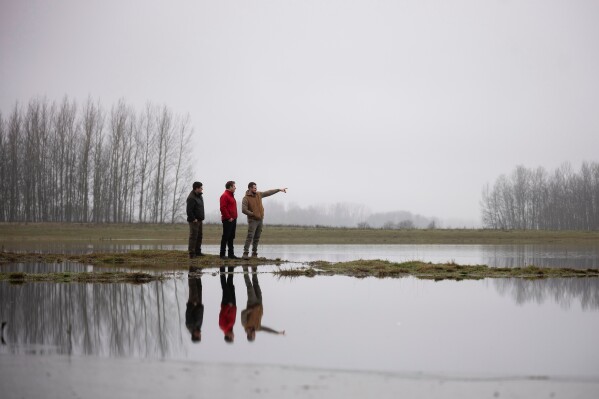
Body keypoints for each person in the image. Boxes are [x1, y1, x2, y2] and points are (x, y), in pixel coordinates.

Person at [241, 182, 287, 259]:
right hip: (252, 220)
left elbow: (268, 192)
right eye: (254, 188)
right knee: (250, 236)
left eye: (256, 187)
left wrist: (278, 190)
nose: (256, 189)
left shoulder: (259, 194)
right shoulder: (246, 198)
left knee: (257, 237)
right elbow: (244, 210)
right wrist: (253, 214)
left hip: (260, 220)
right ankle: (245, 253)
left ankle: (254, 253)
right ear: (250, 188)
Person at [241, 266, 285, 342]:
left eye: (253, 336)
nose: (255, 335)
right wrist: (277, 333)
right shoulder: (257, 328)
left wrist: (251, 310)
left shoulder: (245, 324)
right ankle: (254, 269)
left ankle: (245, 269)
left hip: (252, 303)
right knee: (256, 284)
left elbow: (243, 313)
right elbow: (267, 330)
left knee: (249, 286)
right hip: (259, 304)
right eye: (254, 336)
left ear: (249, 335)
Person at [220, 180, 238, 259]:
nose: (235, 188)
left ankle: (231, 254)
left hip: (233, 219)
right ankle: (222, 254)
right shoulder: (224, 195)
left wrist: (234, 217)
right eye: (234, 186)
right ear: (230, 187)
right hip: (228, 220)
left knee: (231, 237)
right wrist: (228, 217)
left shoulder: (231, 195)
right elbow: (223, 208)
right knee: (225, 237)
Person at [186, 181, 205, 258]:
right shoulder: (191, 198)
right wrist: (193, 219)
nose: (202, 189)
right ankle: (191, 253)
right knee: (193, 236)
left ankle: (198, 251)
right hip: (194, 221)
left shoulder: (200, 196)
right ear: (196, 188)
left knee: (199, 236)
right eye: (200, 188)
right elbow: (189, 210)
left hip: (200, 220)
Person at [186, 267, 204, 343]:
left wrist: (192, 305)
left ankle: (191, 270)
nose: (200, 334)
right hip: (199, 304)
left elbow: (188, 314)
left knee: (193, 287)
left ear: (195, 335)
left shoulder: (190, 326)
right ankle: (197, 271)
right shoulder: (198, 327)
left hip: (193, 303)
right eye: (200, 336)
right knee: (199, 287)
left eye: (199, 336)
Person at [219, 266, 237, 343]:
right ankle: (231, 266)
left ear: (228, 336)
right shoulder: (230, 327)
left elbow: (222, 314)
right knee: (230, 284)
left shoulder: (223, 327)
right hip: (233, 304)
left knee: (225, 286)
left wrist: (228, 307)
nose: (234, 335)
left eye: (232, 337)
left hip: (227, 303)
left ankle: (222, 267)